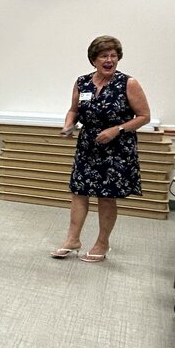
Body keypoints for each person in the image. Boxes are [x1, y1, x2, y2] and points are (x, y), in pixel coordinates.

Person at [51, 35, 150, 262]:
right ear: (94, 59)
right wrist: (68, 125)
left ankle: (102, 244)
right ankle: (72, 240)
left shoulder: (128, 83)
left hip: (117, 147)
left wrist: (117, 130)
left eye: (113, 56)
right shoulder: (82, 82)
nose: (109, 60)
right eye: (104, 55)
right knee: (79, 192)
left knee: (106, 197)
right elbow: (74, 110)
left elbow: (144, 116)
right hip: (88, 145)